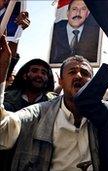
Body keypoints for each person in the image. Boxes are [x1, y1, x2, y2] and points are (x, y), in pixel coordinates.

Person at [0, 36, 100, 170]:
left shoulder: (102, 114)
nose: (78, 76)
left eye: (84, 72)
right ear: (60, 81)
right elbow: (4, 130)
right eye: (72, 72)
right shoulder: (38, 112)